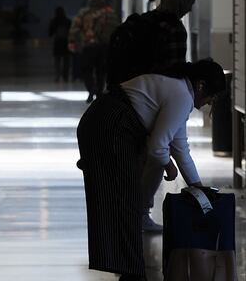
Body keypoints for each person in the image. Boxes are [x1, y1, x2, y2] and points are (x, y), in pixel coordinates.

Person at [76, 59, 225, 281]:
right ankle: (132, 274)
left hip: (104, 121)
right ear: (201, 85)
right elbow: (157, 147)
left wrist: (198, 187)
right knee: (124, 202)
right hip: (109, 126)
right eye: (212, 96)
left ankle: (130, 273)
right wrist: (169, 165)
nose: (210, 102)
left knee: (123, 202)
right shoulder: (182, 95)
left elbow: (180, 146)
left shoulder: (180, 92)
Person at [68, 0, 119, 103]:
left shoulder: (84, 12)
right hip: (104, 47)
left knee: (86, 70)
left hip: (88, 45)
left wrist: (72, 41)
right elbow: (116, 29)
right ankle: (99, 93)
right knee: (101, 71)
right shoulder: (109, 12)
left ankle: (91, 89)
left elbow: (75, 27)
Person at [48, 6, 71, 82]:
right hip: (66, 42)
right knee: (66, 60)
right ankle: (65, 76)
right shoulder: (68, 21)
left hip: (57, 42)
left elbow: (50, 33)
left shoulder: (54, 21)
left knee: (57, 60)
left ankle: (57, 75)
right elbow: (71, 32)